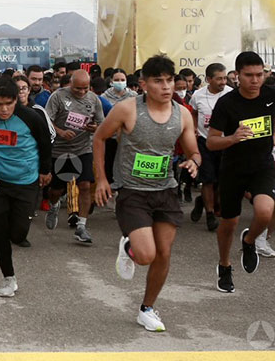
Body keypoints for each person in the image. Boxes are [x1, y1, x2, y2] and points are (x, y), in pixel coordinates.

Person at [94, 55, 200, 332]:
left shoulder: (183, 114)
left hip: (165, 191)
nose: (166, 87)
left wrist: (194, 162)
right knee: (146, 255)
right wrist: (102, 179)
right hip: (133, 192)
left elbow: (194, 151)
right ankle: (129, 247)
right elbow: (99, 138)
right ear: (143, 84)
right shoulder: (127, 109)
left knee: (164, 253)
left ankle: (147, 309)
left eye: (169, 81)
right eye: (158, 81)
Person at [0, 77, 51, 297]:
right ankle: (8, 278)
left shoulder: (31, 118)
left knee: (17, 232)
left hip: (26, 182)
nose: (4, 109)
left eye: (9, 103)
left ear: (17, 99)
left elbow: (45, 144)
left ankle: (17, 235)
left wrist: (45, 170)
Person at [207, 51, 275, 293]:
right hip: (233, 168)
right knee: (229, 223)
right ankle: (224, 265)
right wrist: (232, 138)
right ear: (237, 76)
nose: (255, 80)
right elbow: (211, 142)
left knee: (266, 212)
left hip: (263, 166)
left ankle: (249, 242)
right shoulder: (227, 104)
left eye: (260, 75)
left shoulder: (270, 96)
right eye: (249, 75)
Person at [44, 69, 104, 244]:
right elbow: (46, 120)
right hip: (60, 150)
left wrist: (95, 129)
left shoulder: (94, 100)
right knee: (57, 190)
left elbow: (102, 123)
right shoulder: (58, 97)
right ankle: (54, 206)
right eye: (78, 88)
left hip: (83, 149)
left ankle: (82, 226)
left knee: (85, 185)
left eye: (85, 88)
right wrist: (61, 132)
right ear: (71, 84)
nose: (82, 92)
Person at [188, 63, 233, 233]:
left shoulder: (231, 94)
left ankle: (204, 201)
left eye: (224, 78)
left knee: (222, 179)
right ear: (208, 79)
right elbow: (193, 112)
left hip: (226, 142)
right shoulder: (198, 95)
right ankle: (210, 214)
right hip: (205, 142)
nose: (223, 82)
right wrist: (193, 128)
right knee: (207, 179)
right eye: (219, 78)